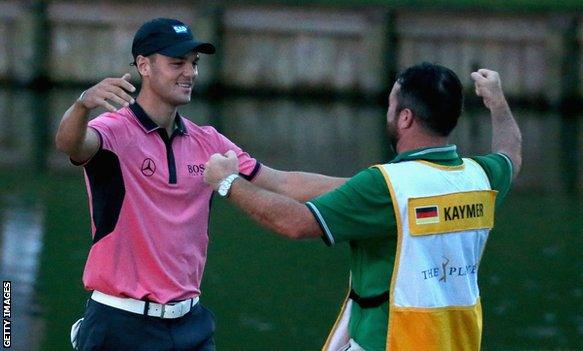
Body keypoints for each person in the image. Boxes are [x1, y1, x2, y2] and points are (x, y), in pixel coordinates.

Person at [55, 18, 344, 351]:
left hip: (190, 324)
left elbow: (282, 183)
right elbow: (70, 144)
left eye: (194, 64)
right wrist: (81, 105)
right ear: (144, 66)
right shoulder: (114, 131)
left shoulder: (207, 141)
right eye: (177, 63)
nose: (190, 72)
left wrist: (376, 182)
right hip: (121, 324)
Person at [202, 62, 522, 351]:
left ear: (405, 117)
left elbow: (296, 223)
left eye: (391, 105)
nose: (389, 113)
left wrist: (228, 184)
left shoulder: (385, 185)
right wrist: (497, 101)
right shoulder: (480, 177)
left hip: (391, 340)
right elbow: (511, 153)